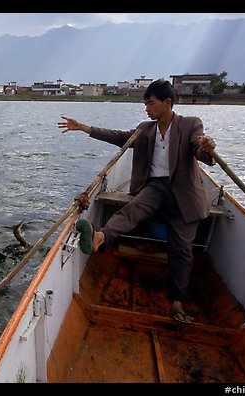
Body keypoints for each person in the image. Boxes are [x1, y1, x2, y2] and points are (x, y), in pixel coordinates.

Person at [57, 79, 217, 324]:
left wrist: (206, 147)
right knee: (133, 209)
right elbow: (120, 137)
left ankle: (177, 300)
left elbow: (200, 150)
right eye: (145, 104)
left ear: (167, 103)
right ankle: (100, 237)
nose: (146, 108)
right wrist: (85, 128)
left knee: (181, 249)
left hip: (183, 192)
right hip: (155, 187)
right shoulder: (146, 129)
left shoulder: (190, 125)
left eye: (150, 103)